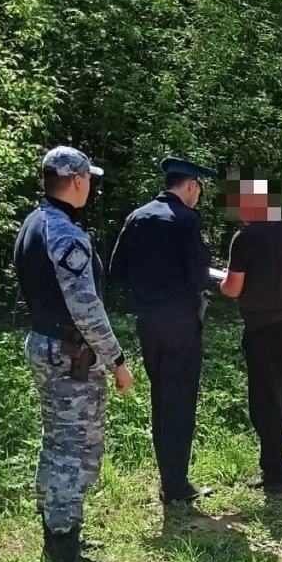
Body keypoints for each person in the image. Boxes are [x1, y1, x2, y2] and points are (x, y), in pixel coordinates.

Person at [14, 146, 134, 562]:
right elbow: (86, 309)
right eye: (90, 179)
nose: (91, 187)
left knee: (55, 443)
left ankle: (60, 530)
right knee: (76, 450)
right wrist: (116, 359)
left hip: (45, 345)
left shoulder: (34, 223)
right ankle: (65, 551)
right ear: (78, 180)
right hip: (71, 356)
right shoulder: (65, 234)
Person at [109, 156, 217, 505]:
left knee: (161, 399)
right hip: (181, 322)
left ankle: (168, 480)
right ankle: (176, 486)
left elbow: (117, 270)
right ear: (190, 185)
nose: (199, 196)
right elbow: (200, 276)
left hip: (149, 322)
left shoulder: (136, 217)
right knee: (180, 401)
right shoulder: (186, 220)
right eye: (199, 188)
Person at [219, 179, 282, 495]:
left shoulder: (245, 238)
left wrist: (220, 283)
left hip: (264, 327)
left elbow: (233, 288)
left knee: (267, 400)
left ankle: (276, 476)